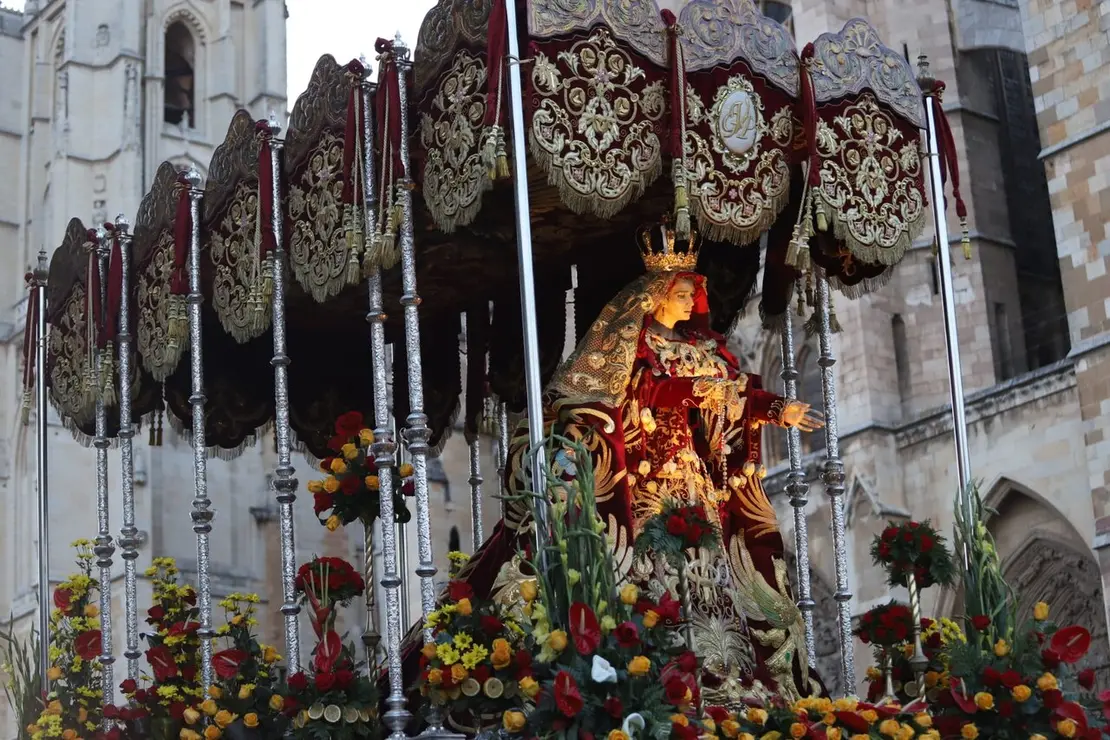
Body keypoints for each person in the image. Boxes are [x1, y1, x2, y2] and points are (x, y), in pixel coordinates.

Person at [412, 224, 826, 711]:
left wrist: (778, 410)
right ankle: (659, 660)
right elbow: (637, 395)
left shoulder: (703, 350)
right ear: (657, 297)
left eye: (694, 292)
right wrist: (693, 392)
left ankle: (720, 665)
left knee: (709, 570)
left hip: (693, 476)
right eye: (684, 291)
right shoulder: (632, 350)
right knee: (656, 569)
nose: (693, 299)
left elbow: (737, 389)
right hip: (648, 479)